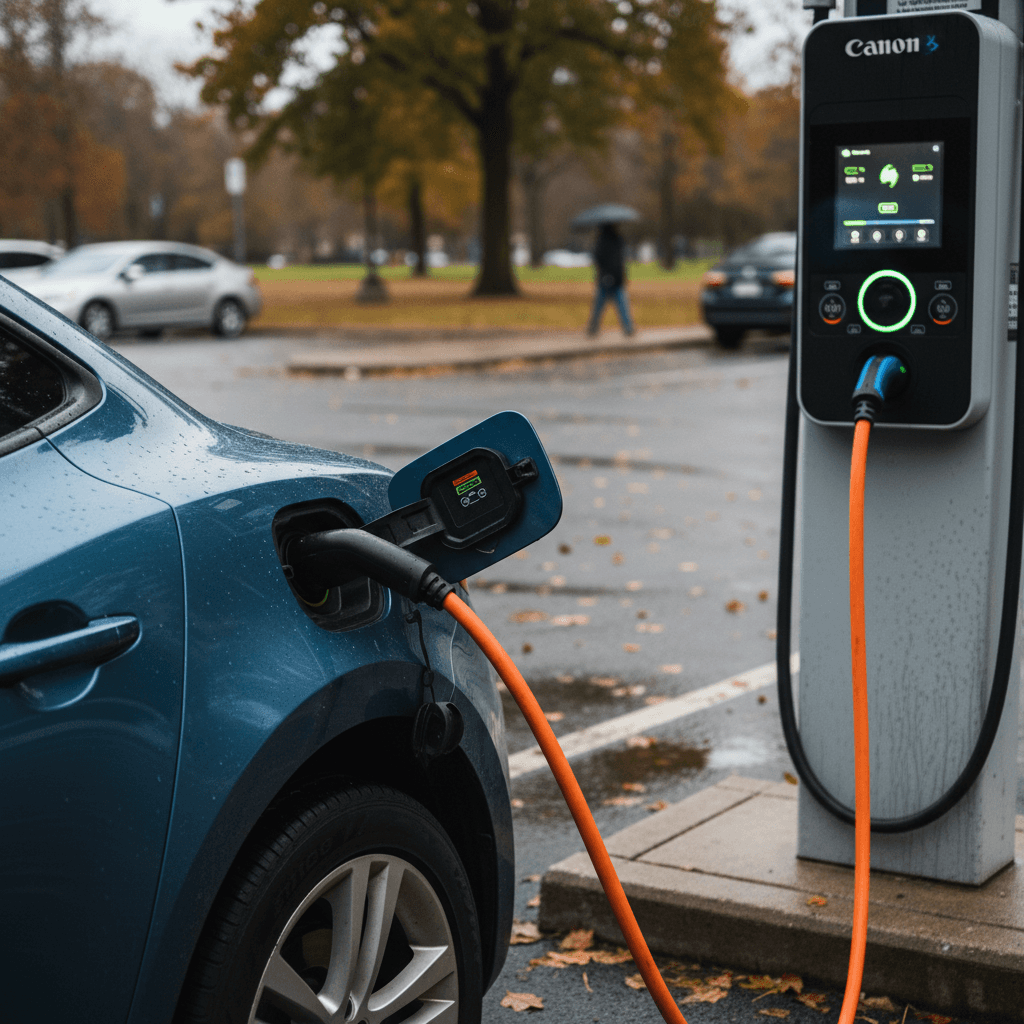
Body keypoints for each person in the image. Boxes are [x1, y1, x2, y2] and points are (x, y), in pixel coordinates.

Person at [587, 223, 635, 337]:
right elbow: (620, 260)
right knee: (621, 304)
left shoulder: (601, 241)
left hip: (606, 277)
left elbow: (597, 259)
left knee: (600, 304)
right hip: (616, 277)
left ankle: (593, 327)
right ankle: (628, 327)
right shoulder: (618, 240)